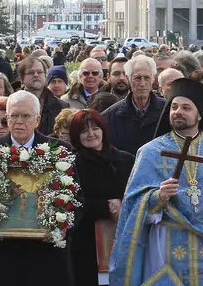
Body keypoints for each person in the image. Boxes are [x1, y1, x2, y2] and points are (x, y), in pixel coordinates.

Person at [110, 78, 203, 285]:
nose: (178, 112)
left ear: (200, 114)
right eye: (174, 107)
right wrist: (156, 197)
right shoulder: (150, 152)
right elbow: (132, 205)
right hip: (166, 241)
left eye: (185, 107)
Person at [0, 90, 76, 285]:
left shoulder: (60, 151)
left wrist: (64, 223)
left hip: (47, 257)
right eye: (14, 116)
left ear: (37, 119)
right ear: (7, 119)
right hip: (2, 256)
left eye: (25, 116)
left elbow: (78, 199)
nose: (19, 121)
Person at [67, 109, 135, 286]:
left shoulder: (126, 160)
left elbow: (137, 195)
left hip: (123, 237)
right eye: (84, 131)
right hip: (86, 244)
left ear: (103, 130)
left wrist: (122, 205)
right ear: (76, 136)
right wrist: (106, 207)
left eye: (95, 128)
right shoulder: (71, 165)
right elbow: (72, 203)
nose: (91, 134)